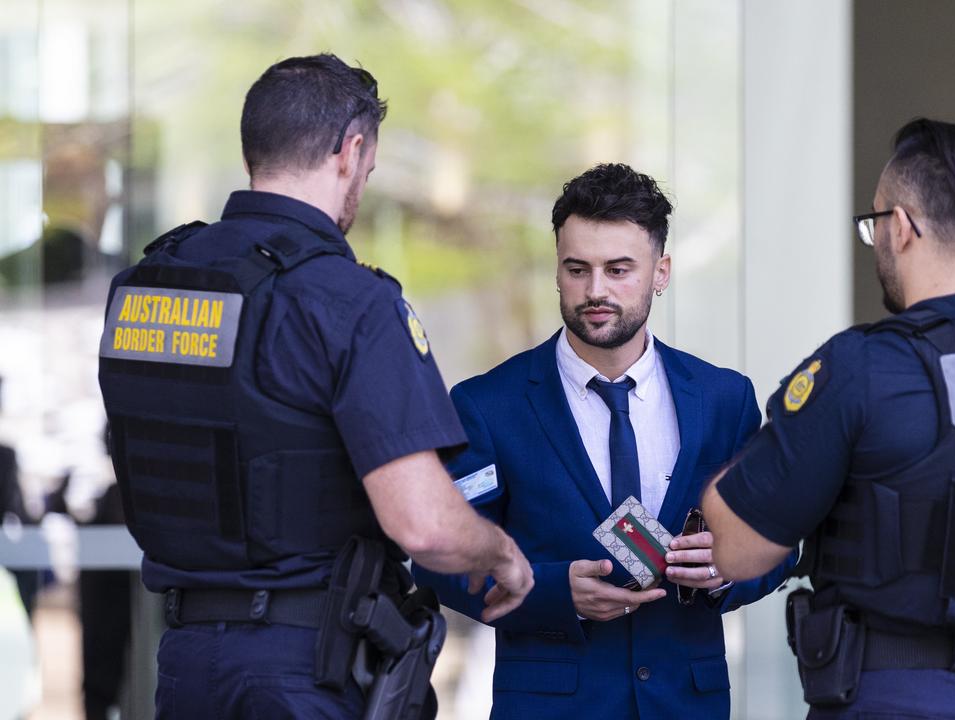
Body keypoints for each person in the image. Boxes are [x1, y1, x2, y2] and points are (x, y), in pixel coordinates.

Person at [96, 54, 532, 719]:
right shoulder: (349, 302)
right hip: (308, 669)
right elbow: (422, 525)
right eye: (370, 167)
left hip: (184, 663)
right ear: (351, 151)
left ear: (253, 154)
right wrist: (503, 554)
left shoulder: (145, 286)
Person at [701, 118, 955, 720]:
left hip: (891, 697)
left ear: (900, 228)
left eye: (874, 225)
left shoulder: (861, 369)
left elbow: (735, 552)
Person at [414, 163, 794, 719]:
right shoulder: (487, 404)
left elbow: (780, 542)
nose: (596, 291)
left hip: (685, 705)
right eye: (577, 269)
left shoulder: (724, 399)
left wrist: (726, 570)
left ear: (660, 272)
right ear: (557, 271)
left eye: (619, 269)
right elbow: (438, 559)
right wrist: (547, 591)